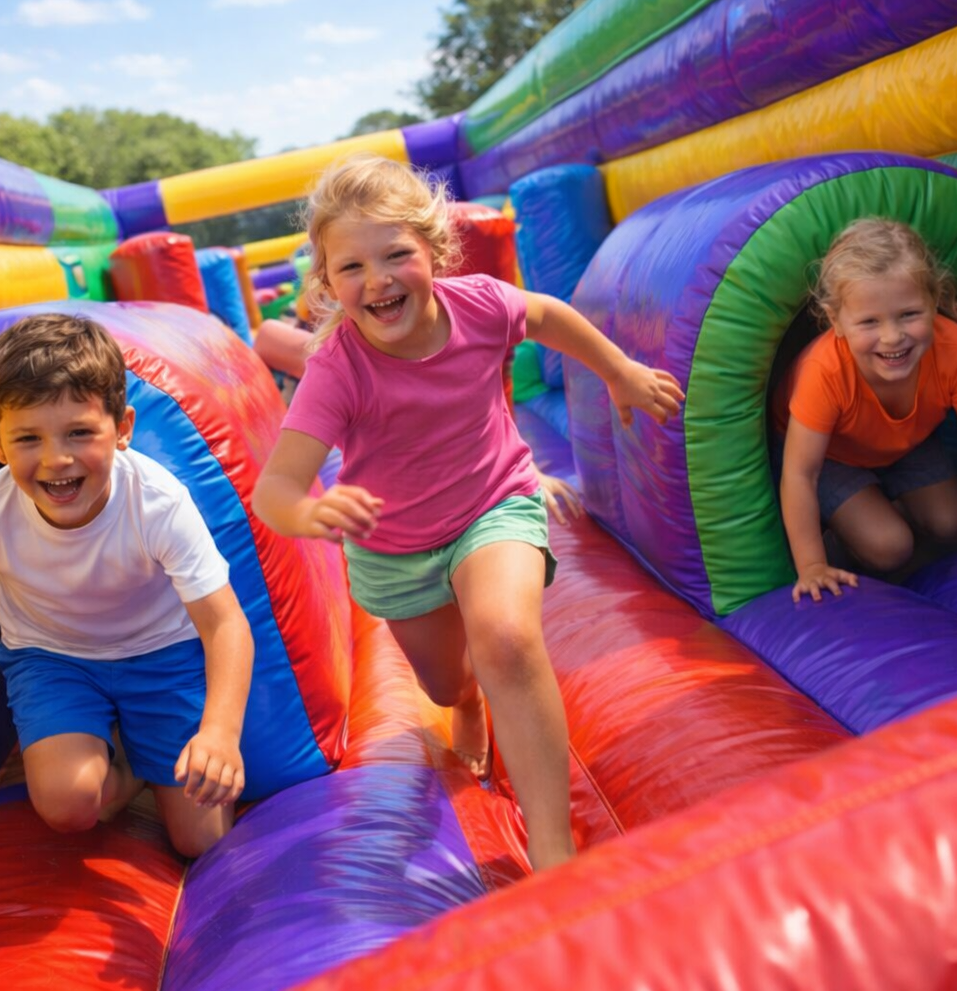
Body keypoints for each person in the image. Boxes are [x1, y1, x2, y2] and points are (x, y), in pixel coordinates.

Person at [250, 155, 683, 872]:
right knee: (445, 685)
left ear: (434, 254)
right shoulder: (337, 366)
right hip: (395, 548)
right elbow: (276, 492)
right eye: (351, 267)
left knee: (506, 638)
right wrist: (312, 513)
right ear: (327, 285)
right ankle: (469, 702)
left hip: (494, 501)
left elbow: (546, 314)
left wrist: (619, 371)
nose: (378, 280)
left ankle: (552, 848)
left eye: (396, 255)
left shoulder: (478, 304)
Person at [0, 313, 254, 859]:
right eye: (28, 438)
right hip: (51, 657)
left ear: (123, 427)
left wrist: (220, 733)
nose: (56, 460)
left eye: (79, 432)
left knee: (201, 842)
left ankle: (140, 751)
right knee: (68, 805)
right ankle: (129, 767)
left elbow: (225, 622)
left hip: (162, 653)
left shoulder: (157, 503)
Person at [775, 218, 957, 604]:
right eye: (869, 321)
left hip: (904, 443)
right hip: (831, 453)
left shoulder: (954, 349)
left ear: (934, 301)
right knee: (890, 546)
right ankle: (844, 534)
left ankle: (878, 504)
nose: (893, 336)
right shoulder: (825, 372)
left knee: (954, 524)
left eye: (909, 314)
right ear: (836, 322)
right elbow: (801, 472)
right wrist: (811, 566)